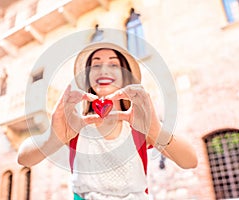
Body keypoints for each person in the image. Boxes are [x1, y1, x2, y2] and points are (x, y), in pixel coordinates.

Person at [17, 42, 198, 199]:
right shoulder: (75, 126)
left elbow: (190, 161)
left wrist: (155, 132)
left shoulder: (138, 128)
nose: (104, 70)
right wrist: (53, 137)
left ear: (125, 77)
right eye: (96, 66)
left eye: (113, 65)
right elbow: (23, 158)